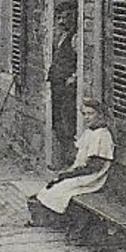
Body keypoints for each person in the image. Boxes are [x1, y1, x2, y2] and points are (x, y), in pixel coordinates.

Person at [29, 98, 114, 236]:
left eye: (91, 114)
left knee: (61, 189)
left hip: (92, 177)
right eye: (84, 114)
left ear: (99, 115)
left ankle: (73, 224)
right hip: (83, 172)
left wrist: (70, 174)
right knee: (53, 185)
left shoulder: (102, 135)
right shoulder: (90, 132)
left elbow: (95, 166)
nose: (87, 118)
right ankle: (61, 220)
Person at [46, 10, 78, 166]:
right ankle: (63, 156)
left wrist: (74, 76)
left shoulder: (76, 38)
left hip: (67, 85)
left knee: (67, 119)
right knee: (57, 119)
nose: (61, 21)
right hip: (56, 83)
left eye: (65, 17)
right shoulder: (59, 36)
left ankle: (71, 158)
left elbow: (81, 60)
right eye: (59, 17)